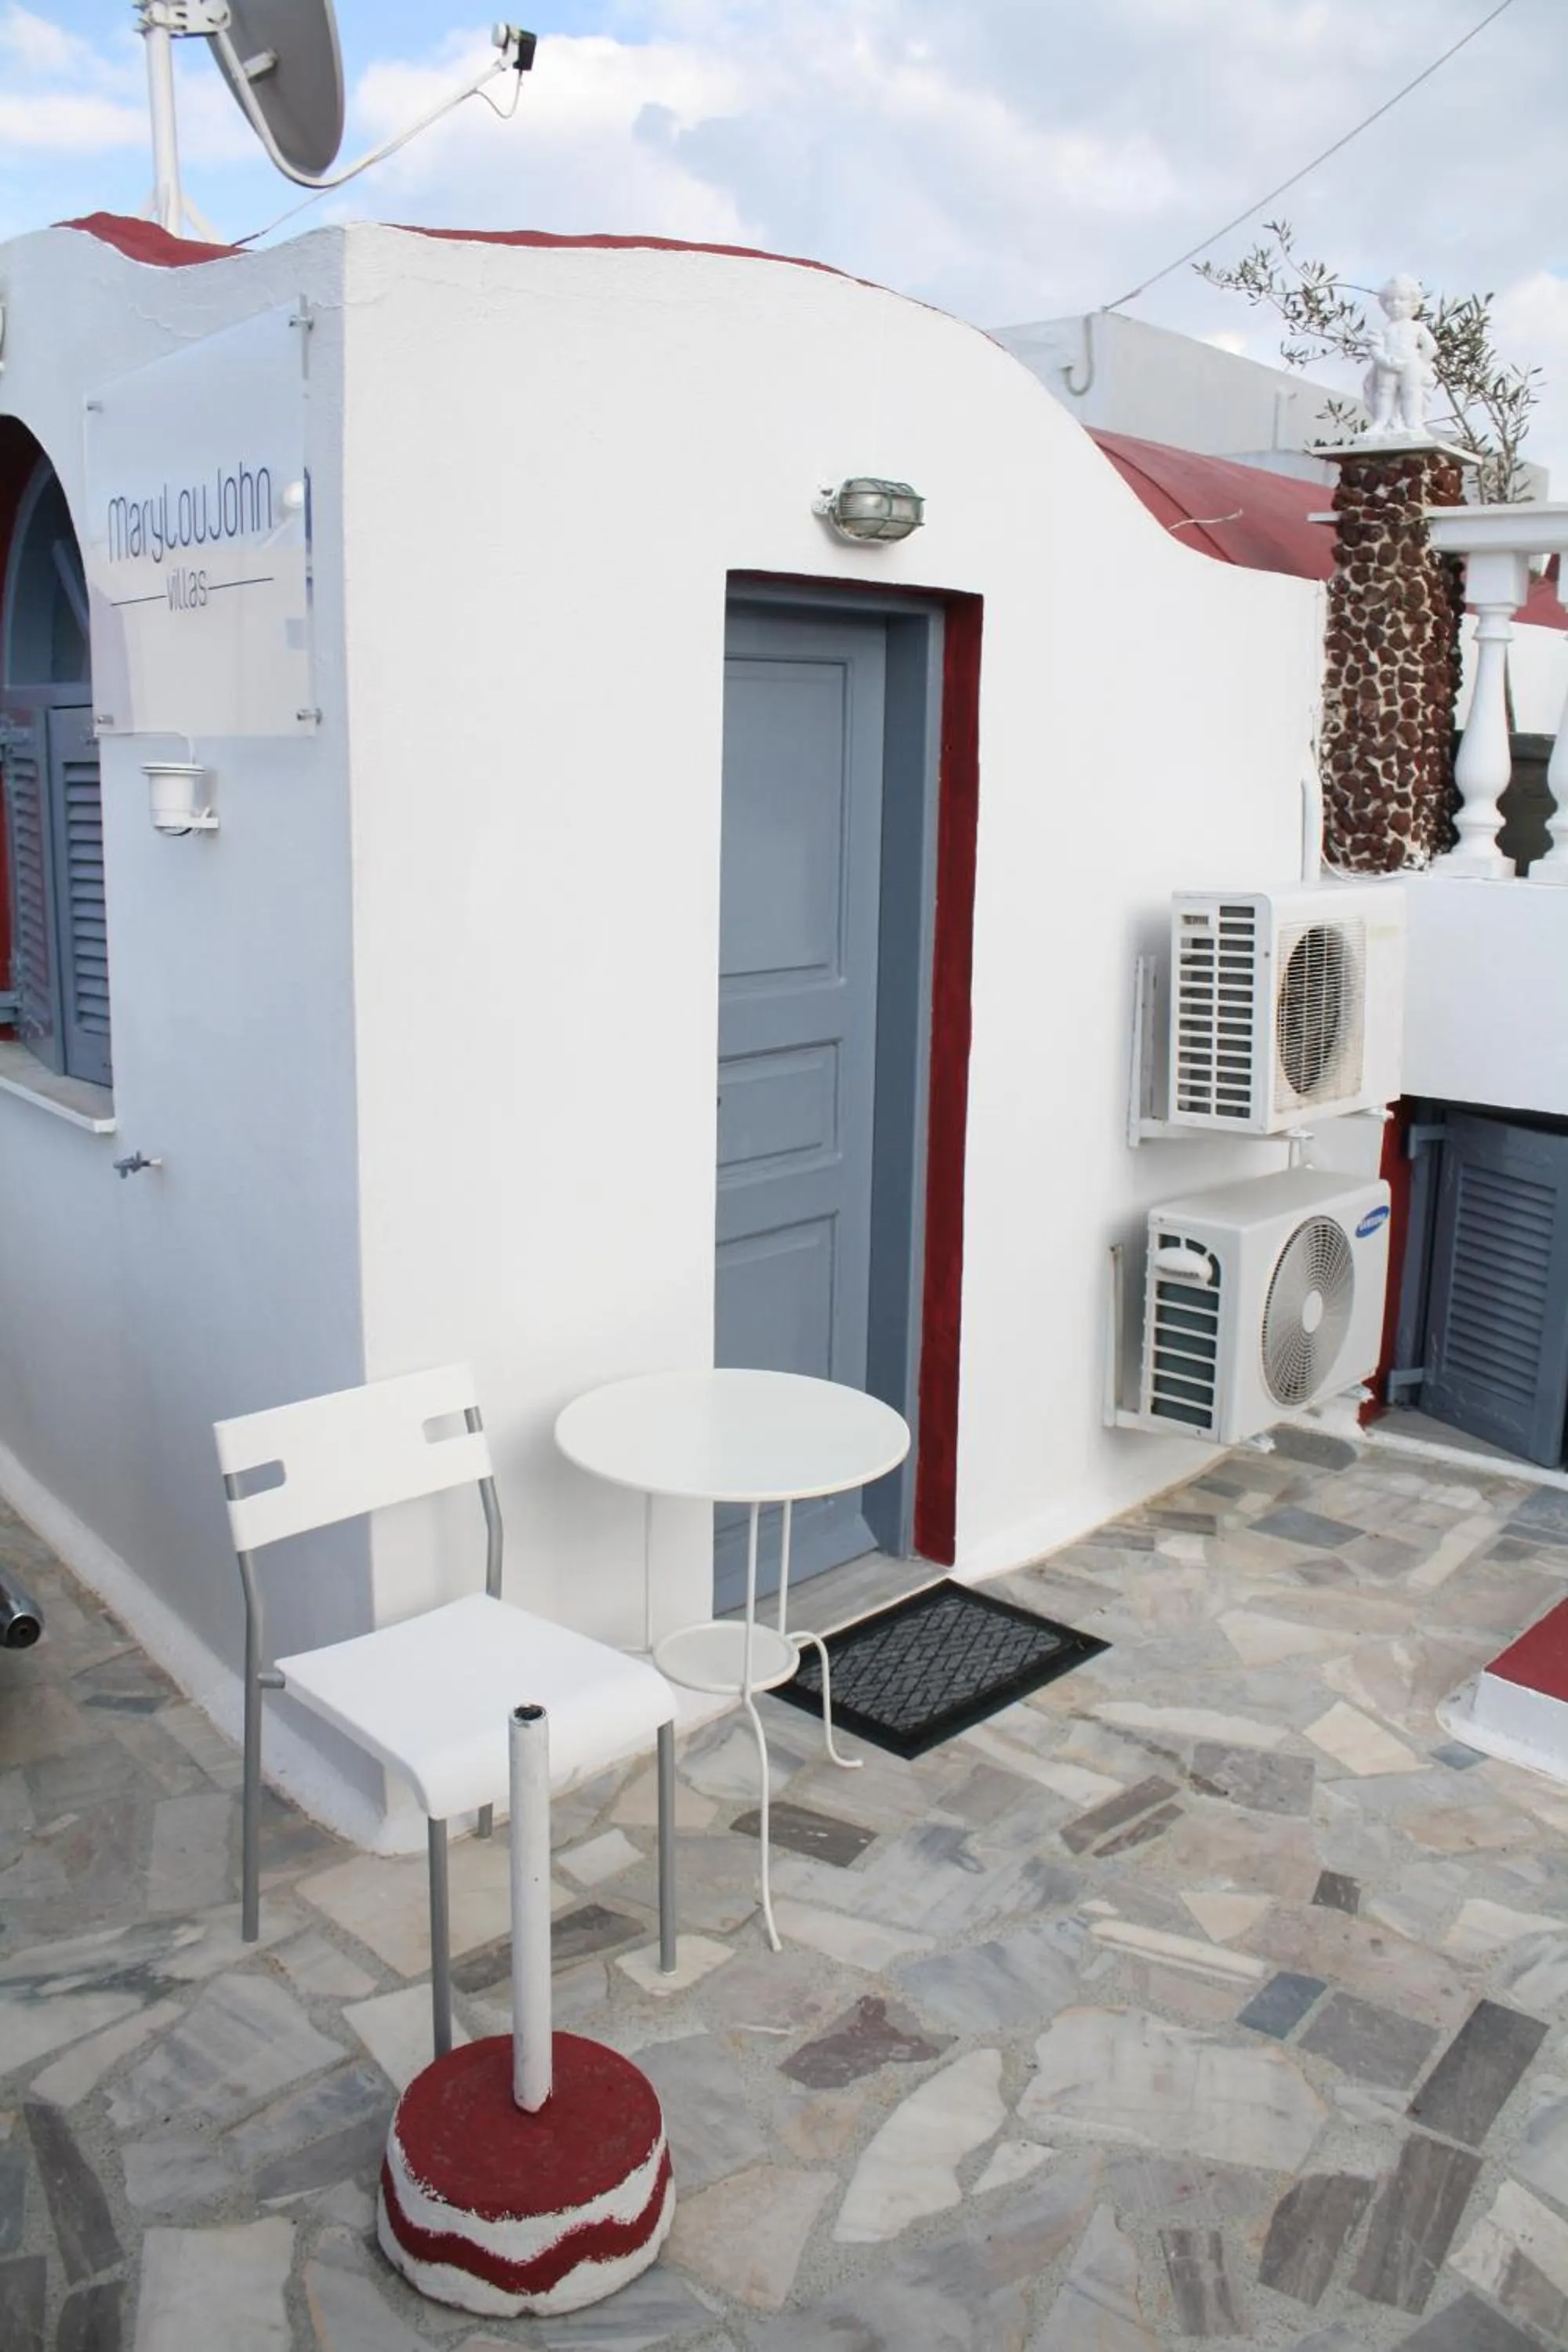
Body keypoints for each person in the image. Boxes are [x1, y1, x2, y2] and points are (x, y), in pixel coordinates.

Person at [1363, 274, 1437, 437]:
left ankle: (1413, 423)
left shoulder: (1416, 327)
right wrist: (1384, 360)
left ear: (1413, 303)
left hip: (1411, 363)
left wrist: (1420, 365)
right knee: (1384, 391)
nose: (1395, 304)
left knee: (1411, 391)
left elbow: (1430, 347)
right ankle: (1382, 422)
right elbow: (1375, 349)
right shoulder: (1382, 330)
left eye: (1401, 299)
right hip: (1387, 364)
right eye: (1390, 300)